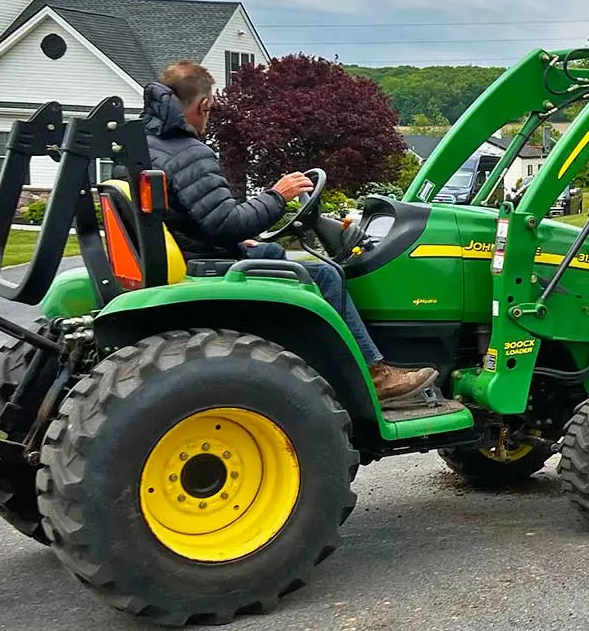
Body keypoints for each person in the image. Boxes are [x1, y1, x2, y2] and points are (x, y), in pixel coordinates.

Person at [142, 61, 436, 403]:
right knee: (328, 275)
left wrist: (240, 237)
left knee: (271, 253)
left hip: (195, 251)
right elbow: (225, 221)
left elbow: (195, 217)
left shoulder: (149, 144)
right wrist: (277, 196)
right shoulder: (189, 152)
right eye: (210, 111)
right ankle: (375, 374)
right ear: (203, 105)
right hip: (205, 261)